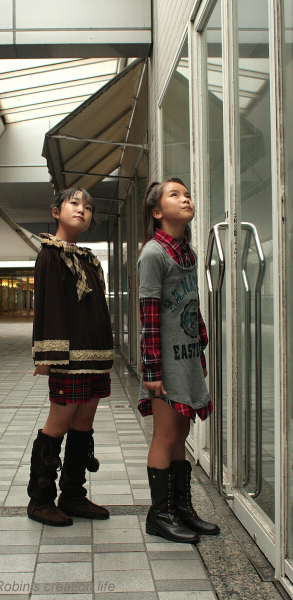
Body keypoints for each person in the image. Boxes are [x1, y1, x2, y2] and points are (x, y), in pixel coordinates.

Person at [138, 178, 220, 543]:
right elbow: (149, 315)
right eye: (175, 195)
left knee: (182, 434)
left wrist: (199, 351)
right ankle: (159, 515)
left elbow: (192, 305)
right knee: (166, 434)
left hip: (186, 359)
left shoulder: (189, 253)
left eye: (187, 194)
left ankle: (180, 509)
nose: (186, 199)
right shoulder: (153, 254)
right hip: (165, 363)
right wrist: (152, 368)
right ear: (157, 212)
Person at [27, 187, 114, 527]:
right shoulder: (51, 254)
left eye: (87, 207)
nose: (81, 210)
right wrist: (47, 355)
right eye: (74, 203)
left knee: (84, 424)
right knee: (58, 424)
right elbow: (48, 305)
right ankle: (40, 500)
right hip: (69, 358)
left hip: (94, 355)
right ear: (56, 211)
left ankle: (73, 495)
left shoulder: (87, 258)